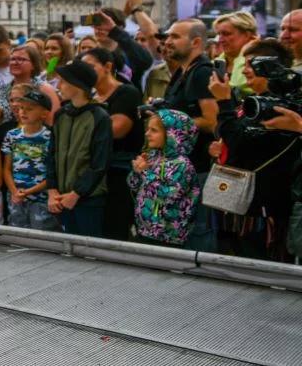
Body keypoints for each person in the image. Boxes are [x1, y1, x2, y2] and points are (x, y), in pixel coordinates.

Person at [209, 39, 302, 261]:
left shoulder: (282, 108)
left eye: (251, 64)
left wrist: (224, 103)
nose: (244, 70)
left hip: (265, 210)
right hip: (238, 203)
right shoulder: (254, 103)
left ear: (272, 68)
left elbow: (239, 142)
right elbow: (231, 139)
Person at [161, 18, 218, 258]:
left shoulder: (201, 72)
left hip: (198, 168)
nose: (168, 41)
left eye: (175, 37)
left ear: (195, 42)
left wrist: (169, 122)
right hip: (180, 167)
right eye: (168, 36)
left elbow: (212, 121)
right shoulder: (182, 72)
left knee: (198, 230)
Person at [81, 47, 145, 241]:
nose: (85, 72)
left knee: (115, 227)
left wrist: (82, 129)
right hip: (96, 170)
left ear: (108, 66)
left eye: (89, 66)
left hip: (120, 171)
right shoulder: (90, 97)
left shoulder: (126, 93)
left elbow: (116, 130)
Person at [46, 60, 112, 237]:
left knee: (89, 249)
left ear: (78, 85)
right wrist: (52, 190)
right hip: (61, 197)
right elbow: (51, 154)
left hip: (88, 198)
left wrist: (76, 193)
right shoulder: (61, 114)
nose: (59, 86)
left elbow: (100, 162)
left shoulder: (99, 117)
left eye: (63, 81)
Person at [128, 108, 201, 247]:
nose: (147, 133)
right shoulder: (154, 156)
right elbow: (133, 186)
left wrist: (145, 172)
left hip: (167, 238)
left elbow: (167, 197)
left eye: (154, 130)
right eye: (148, 129)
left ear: (172, 134)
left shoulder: (182, 165)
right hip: (144, 231)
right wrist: (137, 171)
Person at [3, 89, 59, 230]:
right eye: (21, 108)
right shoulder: (12, 135)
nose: (23, 112)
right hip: (16, 197)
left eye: (30, 109)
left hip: (41, 199)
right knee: (17, 235)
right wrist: (14, 191)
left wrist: (29, 191)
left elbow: (53, 172)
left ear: (44, 114)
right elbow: (7, 169)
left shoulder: (51, 136)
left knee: (41, 238)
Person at [0, 44, 59, 141]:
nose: (15, 62)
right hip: (3, 143)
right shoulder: (1, 90)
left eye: (21, 59)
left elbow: (52, 123)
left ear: (33, 64)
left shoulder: (44, 89)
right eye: (13, 59)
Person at [213, 11, 258, 94]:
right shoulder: (215, 63)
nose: (220, 40)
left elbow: (238, 87)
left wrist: (242, 55)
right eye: (219, 34)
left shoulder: (259, 62)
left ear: (247, 35)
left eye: (226, 34)